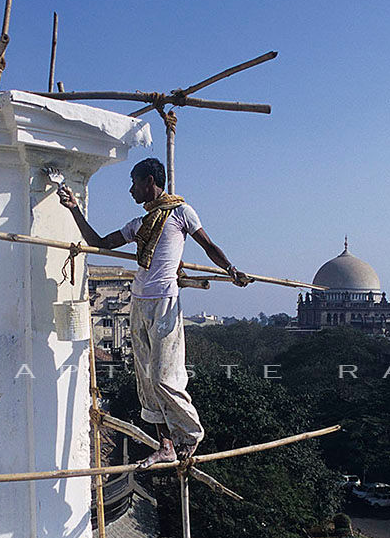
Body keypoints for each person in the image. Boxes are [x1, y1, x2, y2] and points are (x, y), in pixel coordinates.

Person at [58, 158, 250, 468]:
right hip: (139, 302)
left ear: (149, 181)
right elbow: (100, 243)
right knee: (146, 379)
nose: (131, 189)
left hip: (165, 303)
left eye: (134, 183)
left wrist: (230, 270)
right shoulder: (139, 224)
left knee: (165, 377)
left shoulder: (181, 213)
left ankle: (190, 432)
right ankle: (166, 444)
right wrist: (73, 209)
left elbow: (208, 245)